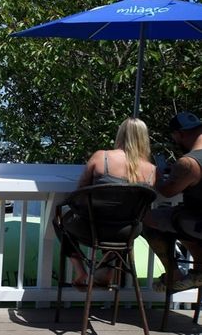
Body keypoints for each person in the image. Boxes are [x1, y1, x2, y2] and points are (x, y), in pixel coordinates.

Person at [53, 117, 157, 289]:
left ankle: (80, 271)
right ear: (144, 138)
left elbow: (79, 193)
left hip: (91, 228)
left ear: (120, 135)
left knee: (59, 219)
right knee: (125, 220)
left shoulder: (102, 157)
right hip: (126, 233)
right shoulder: (152, 171)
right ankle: (106, 268)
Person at [143, 111, 202, 291]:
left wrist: (158, 176)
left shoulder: (188, 163)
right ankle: (199, 271)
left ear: (179, 134)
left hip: (198, 223)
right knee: (178, 219)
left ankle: (173, 275)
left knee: (149, 218)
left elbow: (167, 192)